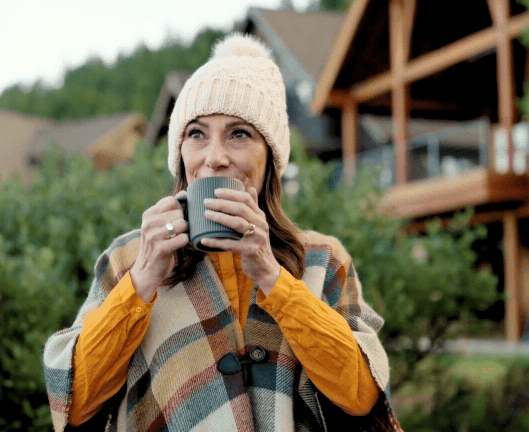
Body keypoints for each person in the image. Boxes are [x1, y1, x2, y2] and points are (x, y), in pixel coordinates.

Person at [43, 33, 401, 432]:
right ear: (180, 154)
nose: (214, 157)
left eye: (239, 134)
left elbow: (361, 396)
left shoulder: (322, 259)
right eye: (196, 134)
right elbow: (76, 404)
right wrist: (142, 279)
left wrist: (272, 276)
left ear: (270, 157)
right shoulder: (131, 258)